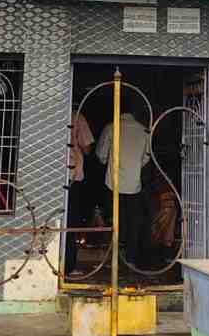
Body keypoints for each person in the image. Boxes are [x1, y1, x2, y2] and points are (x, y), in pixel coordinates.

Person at [96, 95, 150, 265]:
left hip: (113, 183)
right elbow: (147, 158)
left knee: (115, 219)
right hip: (134, 184)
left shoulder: (111, 128)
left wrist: (109, 161)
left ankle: (114, 259)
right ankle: (131, 258)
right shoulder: (143, 131)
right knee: (133, 220)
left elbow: (101, 155)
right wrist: (134, 167)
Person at [64, 109, 95, 277]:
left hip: (50, 176)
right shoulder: (77, 116)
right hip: (72, 176)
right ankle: (68, 266)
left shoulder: (49, 113)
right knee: (70, 222)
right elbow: (88, 147)